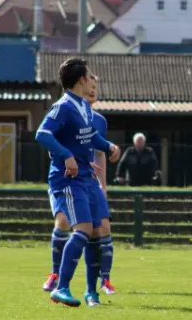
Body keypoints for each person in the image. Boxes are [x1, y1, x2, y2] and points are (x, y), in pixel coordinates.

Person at [36, 57, 121, 307]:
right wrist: (67, 155)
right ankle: (61, 286)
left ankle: (87, 290)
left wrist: (108, 146)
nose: (93, 79)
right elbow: (42, 134)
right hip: (69, 180)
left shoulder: (83, 107)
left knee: (91, 231)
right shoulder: (63, 106)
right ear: (81, 79)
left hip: (85, 179)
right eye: (90, 75)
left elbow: (90, 135)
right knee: (82, 230)